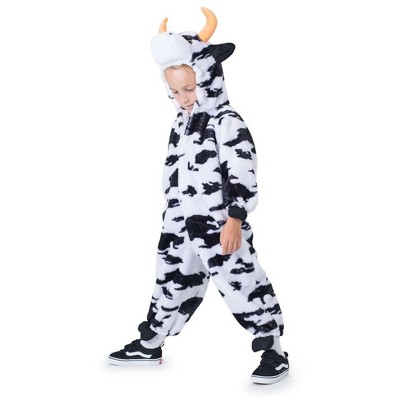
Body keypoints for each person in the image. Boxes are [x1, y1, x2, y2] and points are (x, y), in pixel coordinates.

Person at [108, 7, 289, 385]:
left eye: (189, 89)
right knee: (170, 278)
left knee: (242, 279)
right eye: (175, 91)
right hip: (179, 221)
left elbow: (242, 169)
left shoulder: (227, 122)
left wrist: (235, 217)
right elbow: (173, 169)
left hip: (219, 223)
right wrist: (171, 209)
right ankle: (152, 342)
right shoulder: (181, 123)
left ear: (208, 77)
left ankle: (272, 347)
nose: (183, 97)